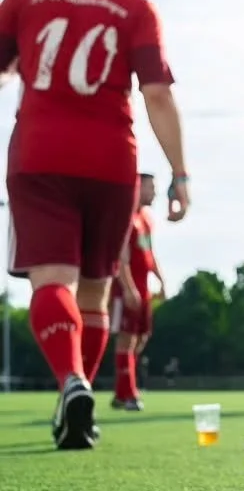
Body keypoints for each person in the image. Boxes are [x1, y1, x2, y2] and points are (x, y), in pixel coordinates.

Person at [0, 0, 189, 449]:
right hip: (111, 162)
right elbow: (157, 93)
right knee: (95, 292)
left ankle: (71, 382)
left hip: (40, 155)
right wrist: (179, 173)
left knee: (51, 279)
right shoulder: (135, 7)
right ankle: (78, 395)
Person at [109, 173, 166, 410]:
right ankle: (128, 393)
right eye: (150, 187)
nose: (154, 192)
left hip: (144, 291)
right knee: (126, 340)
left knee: (140, 339)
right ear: (138, 187)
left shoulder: (146, 219)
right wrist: (128, 287)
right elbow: (120, 258)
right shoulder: (124, 218)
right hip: (125, 290)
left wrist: (161, 281)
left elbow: (149, 255)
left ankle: (122, 390)